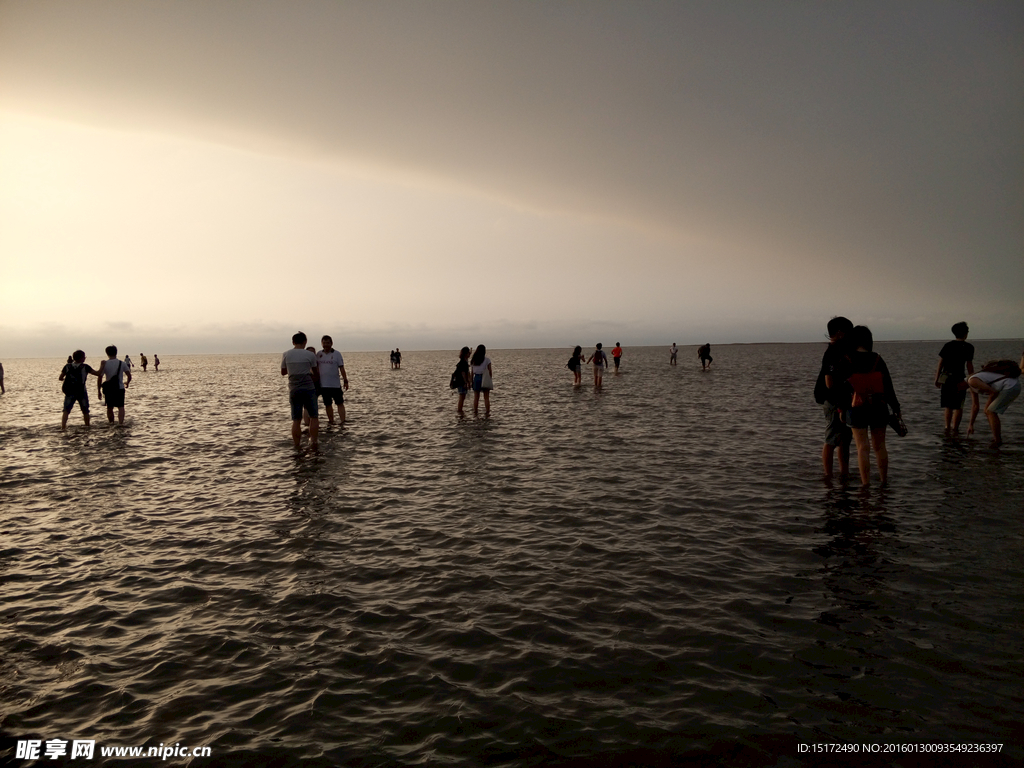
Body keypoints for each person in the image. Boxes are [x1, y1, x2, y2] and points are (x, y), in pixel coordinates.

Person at [844, 325, 901, 486]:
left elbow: (843, 389)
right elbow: (888, 386)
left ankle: (865, 484)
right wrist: (896, 408)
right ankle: (884, 481)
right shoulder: (877, 358)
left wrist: (841, 409)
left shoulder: (847, 358)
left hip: (857, 407)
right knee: (880, 446)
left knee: (862, 447)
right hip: (879, 406)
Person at [813, 316, 853, 478]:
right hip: (833, 401)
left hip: (843, 400)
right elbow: (829, 382)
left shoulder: (841, 351)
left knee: (845, 439)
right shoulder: (832, 352)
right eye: (848, 332)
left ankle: (844, 474)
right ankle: (828, 476)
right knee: (832, 438)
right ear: (840, 333)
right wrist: (840, 405)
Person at [967, 360, 1021, 447]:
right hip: (1014, 385)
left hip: (1010, 387)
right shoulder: (972, 383)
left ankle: (997, 440)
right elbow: (975, 406)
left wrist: (988, 409)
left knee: (991, 412)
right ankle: (996, 438)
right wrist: (971, 425)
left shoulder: (972, 381)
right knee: (988, 411)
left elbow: (993, 392)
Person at [281, 332, 319, 449]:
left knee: (296, 419)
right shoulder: (310, 354)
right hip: (308, 388)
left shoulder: (286, 354)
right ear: (305, 342)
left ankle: (297, 445)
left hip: (294, 389)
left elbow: (283, 372)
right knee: (313, 417)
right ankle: (313, 442)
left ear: (293, 342)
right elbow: (315, 372)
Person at [934, 321, 974, 434]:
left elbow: (941, 363)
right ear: (965, 333)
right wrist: (972, 379)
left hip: (947, 377)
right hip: (960, 378)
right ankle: (955, 428)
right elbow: (969, 365)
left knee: (948, 406)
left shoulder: (948, 345)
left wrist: (936, 378)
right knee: (958, 406)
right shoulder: (969, 347)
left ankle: (947, 427)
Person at [59, 350, 100, 429]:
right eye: (84, 357)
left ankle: (63, 427)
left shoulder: (67, 366)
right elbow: (98, 373)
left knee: (66, 410)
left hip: (69, 391)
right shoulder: (85, 367)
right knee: (85, 411)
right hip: (81, 391)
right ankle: (87, 426)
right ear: (82, 358)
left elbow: (60, 378)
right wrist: (102, 365)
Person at [317, 335, 350, 425]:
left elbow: (342, 368)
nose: (326, 345)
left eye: (328, 343)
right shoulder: (319, 354)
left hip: (335, 384)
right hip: (323, 385)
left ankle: (343, 421)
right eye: (324, 343)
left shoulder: (337, 354)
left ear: (331, 343)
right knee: (327, 404)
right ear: (321, 343)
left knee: (339, 403)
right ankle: (331, 421)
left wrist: (345, 380)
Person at [97, 345, 132, 425]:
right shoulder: (122, 363)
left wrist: (99, 391)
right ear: (116, 352)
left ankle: (111, 423)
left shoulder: (104, 364)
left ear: (107, 353)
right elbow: (129, 376)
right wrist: (127, 383)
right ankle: (120, 424)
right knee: (121, 407)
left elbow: (100, 378)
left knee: (109, 407)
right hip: (119, 388)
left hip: (109, 389)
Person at [470, 344, 492, 416]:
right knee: (486, 397)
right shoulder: (487, 360)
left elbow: (472, 372)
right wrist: (490, 379)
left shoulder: (473, 360)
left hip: (476, 378)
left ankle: (475, 412)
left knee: (476, 397)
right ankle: (487, 412)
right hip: (484, 378)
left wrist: (471, 381)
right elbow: (490, 371)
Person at [453, 346, 472, 415]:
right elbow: (463, 373)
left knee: (462, 397)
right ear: (466, 354)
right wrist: (466, 382)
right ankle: (460, 411)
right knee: (462, 396)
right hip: (461, 382)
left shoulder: (463, 362)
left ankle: (460, 411)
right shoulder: (463, 363)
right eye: (468, 353)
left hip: (460, 381)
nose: (470, 354)